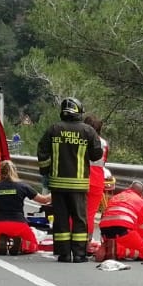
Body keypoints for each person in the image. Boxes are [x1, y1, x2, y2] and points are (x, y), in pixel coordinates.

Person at [37, 97, 102, 263]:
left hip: (58, 183)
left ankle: (64, 254)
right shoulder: (88, 131)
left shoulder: (53, 129)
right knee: (80, 218)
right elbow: (97, 154)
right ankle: (79, 254)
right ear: (79, 111)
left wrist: (46, 170)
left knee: (61, 218)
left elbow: (42, 151)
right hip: (79, 184)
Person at [0, 161, 51, 255]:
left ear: (0, 172)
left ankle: (2, 240)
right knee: (32, 246)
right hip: (19, 224)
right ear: (15, 171)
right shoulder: (23, 186)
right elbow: (44, 200)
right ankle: (20, 244)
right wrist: (56, 191)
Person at [95, 180, 143, 262]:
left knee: (125, 240)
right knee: (142, 252)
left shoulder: (115, 197)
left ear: (129, 188)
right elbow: (141, 228)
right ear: (141, 195)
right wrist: (142, 244)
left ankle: (109, 245)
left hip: (105, 231)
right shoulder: (141, 202)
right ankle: (117, 250)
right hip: (123, 230)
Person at [82, 115, 109, 238]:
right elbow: (104, 162)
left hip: (81, 175)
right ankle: (87, 242)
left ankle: (72, 241)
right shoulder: (104, 143)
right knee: (90, 214)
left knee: (75, 211)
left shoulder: (81, 140)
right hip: (97, 179)